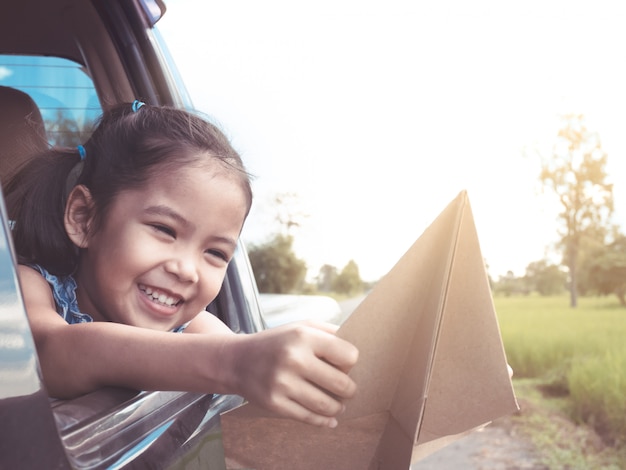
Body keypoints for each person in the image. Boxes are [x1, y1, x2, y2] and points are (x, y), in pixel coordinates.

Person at [4, 101, 358, 429]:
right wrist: (234, 363)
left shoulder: (194, 327)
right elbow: (52, 352)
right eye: (164, 229)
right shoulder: (30, 289)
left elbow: (252, 377)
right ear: (84, 218)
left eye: (216, 253)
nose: (187, 270)